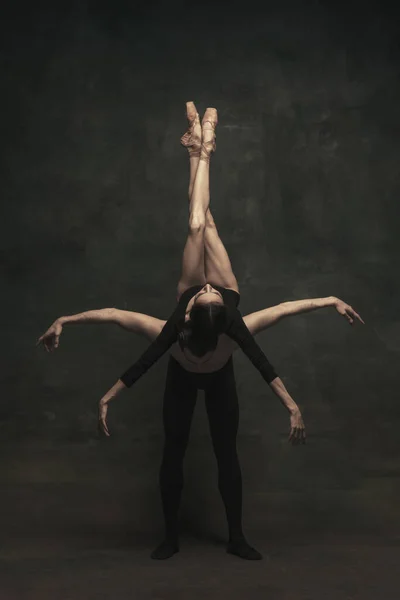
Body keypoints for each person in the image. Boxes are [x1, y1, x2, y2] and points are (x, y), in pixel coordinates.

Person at [36, 102, 365, 560]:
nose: (206, 288)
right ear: (198, 314)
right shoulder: (201, 317)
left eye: (204, 296)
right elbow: (131, 343)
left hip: (218, 381)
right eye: (205, 295)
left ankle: (236, 536)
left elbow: (269, 344)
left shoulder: (213, 326)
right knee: (174, 449)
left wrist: (108, 391)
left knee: (226, 453)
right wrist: (94, 370)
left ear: (193, 314)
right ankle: (169, 536)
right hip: (184, 379)